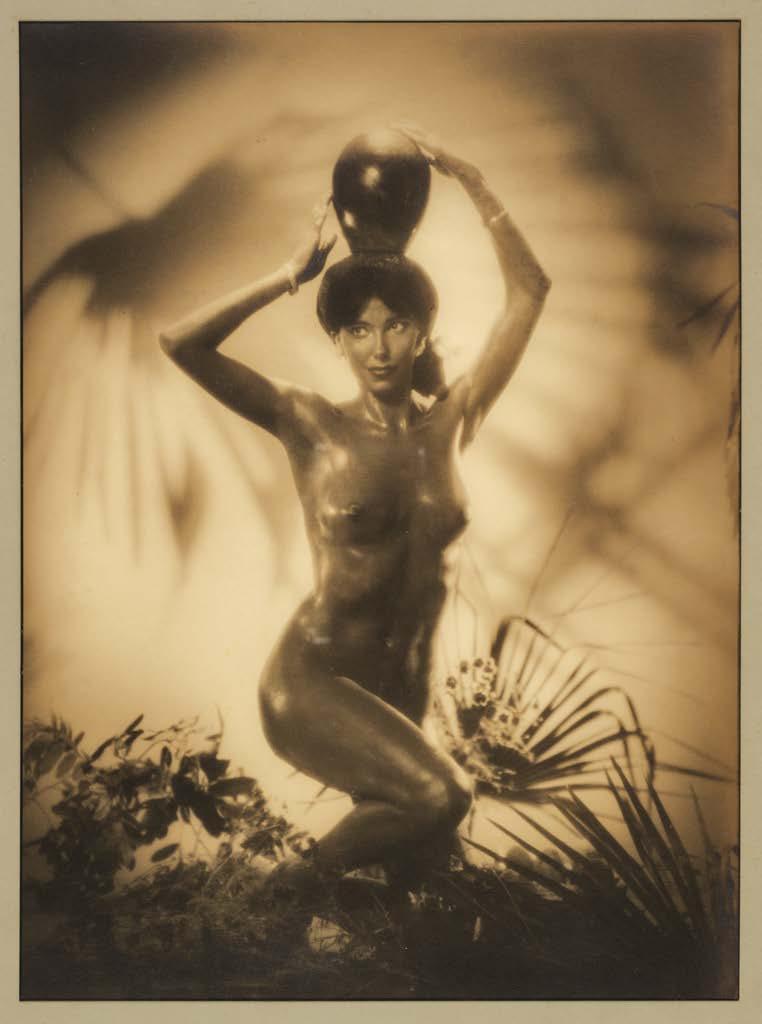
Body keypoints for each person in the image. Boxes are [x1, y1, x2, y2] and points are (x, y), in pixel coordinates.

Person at [160, 128, 550, 897]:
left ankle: (305, 913)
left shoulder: (454, 421)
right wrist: (288, 275)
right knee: (441, 795)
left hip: (399, 701)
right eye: (360, 329)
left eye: (396, 325)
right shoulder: (309, 421)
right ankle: (270, 900)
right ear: (337, 338)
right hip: (313, 684)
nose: (379, 348)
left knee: (430, 913)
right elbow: (182, 343)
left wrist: (475, 183)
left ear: (420, 332)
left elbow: (530, 293)